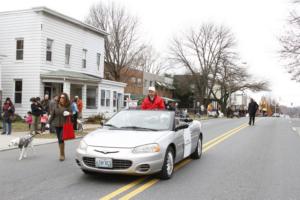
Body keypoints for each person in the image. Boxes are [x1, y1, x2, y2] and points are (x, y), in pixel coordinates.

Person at [49, 93, 72, 161]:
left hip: (64, 124)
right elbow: (52, 115)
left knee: (61, 138)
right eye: (61, 97)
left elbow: (72, 112)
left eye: (63, 97)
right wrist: (48, 123)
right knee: (59, 139)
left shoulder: (68, 106)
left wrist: (69, 113)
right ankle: (62, 153)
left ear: (65, 98)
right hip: (57, 124)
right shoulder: (56, 105)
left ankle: (62, 155)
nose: (61, 98)